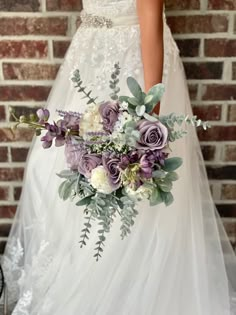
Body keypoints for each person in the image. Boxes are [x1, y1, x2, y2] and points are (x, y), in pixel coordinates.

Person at [3, 0, 236, 314]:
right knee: (53, 173)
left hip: (133, 66)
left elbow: (151, 26)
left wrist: (147, 116)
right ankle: (79, 279)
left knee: (124, 190)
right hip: (88, 57)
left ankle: (118, 293)